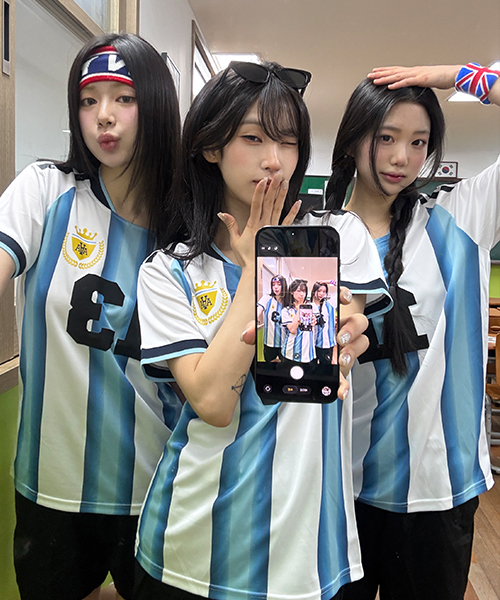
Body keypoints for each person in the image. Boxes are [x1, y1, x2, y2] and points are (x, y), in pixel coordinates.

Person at [135, 60, 392, 600]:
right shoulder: (169, 271)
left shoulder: (336, 235)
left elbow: (340, 343)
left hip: (313, 550)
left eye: (289, 142)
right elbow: (212, 402)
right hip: (198, 547)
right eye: (253, 138)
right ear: (211, 146)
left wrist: (349, 340)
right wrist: (257, 266)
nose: (275, 160)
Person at [0, 33, 182, 600]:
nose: (103, 115)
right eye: (88, 100)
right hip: (51, 482)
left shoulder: (187, 227)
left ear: (155, 106)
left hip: (156, 484)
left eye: (124, 98)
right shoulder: (46, 192)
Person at [325, 63, 500, 600]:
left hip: (439, 488)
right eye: (386, 138)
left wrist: (456, 75)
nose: (402, 157)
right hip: (340, 490)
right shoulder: (315, 238)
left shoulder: (460, 220)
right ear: (354, 139)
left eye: (419, 141)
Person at [281, 279, 317, 363]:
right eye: (298, 291)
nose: (302, 294)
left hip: (308, 352)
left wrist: (314, 321)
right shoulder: (286, 311)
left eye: (304, 291)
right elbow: (292, 330)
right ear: (292, 292)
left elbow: (313, 324)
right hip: (291, 352)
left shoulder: (311, 306)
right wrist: (299, 310)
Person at [257, 275, 288, 361]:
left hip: (285, 344)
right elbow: (258, 310)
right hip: (269, 343)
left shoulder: (288, 302)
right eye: (273, 285)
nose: (276, 287)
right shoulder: (267, 298)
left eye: (279, 284)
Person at [311, 281, 337, 364]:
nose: (321, 294)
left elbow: (340, 286)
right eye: (319, 291)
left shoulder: (330, 304)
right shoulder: (310, 306)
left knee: (326, 367)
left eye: (324, 291)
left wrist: (326, 282)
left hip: (327, 343)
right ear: (314, 291)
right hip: (312, 343)